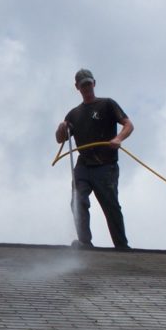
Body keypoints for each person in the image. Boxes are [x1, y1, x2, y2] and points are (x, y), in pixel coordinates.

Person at [55, 68, 133, 250]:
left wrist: (118, 138)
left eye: (89, 84)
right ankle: (85, 242)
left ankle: (122, 247)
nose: (87, 88)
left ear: (94, 83)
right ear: (77, 87)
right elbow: (60, 139)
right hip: (84, 165)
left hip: (106, 165)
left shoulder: (107, 104)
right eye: (83, 85)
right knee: (78, 199)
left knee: (110, 205)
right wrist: (61, 128)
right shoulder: (74, 114)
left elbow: (128, 125)